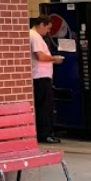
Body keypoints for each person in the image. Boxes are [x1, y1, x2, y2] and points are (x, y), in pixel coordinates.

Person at [30, 15, 64, 144]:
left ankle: (42, 132)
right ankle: (45, 134)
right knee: (45, 106)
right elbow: (40, 56)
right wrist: (54, 58)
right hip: (41, 76)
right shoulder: (35, 36)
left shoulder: (31, 35)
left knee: (42, 106)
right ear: (41, 25)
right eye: (48, 28)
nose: (48, 32)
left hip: (37, 75)